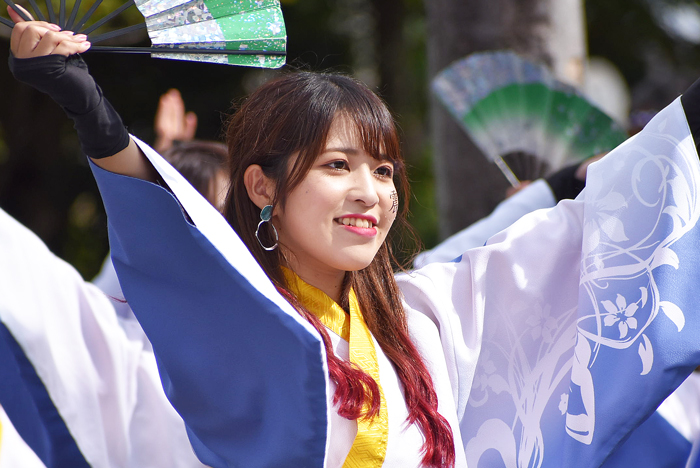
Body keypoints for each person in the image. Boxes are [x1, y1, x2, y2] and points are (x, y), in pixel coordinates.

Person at [7, 10, 700, 467]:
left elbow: (549, 252)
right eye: (338, 166)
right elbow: (195, 267)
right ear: (261, 188)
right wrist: (91, 111)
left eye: (384, 169)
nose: (371, 191)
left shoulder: (422, 321)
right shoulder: (252, 331)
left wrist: (679, 136)